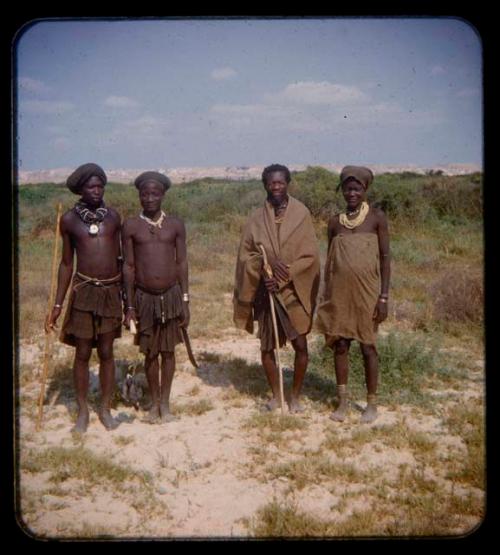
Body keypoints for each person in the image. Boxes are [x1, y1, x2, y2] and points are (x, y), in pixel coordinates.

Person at [233, 164, 320, 413]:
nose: (276, 187)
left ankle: (295, 396)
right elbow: (245, 254)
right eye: (271, 183)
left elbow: (310, 256)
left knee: (301, 345)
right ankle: (276, 395)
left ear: (288, 183)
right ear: (265, 185)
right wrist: (263, 267)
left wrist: (286, 274)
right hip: (266, 291)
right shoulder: (256, 218)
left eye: (281, 182)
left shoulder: (301, 213)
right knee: (266, 347)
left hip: (293, 290)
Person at [45, 163, 123, 433]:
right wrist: (57, 304)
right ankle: (82, 411)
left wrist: (129, 301)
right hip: (84, 291)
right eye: (91, 186)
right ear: (80, 189)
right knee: (82, 352)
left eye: (100, 186)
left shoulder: (113, 217)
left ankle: (105, 408)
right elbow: (66, 264)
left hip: (111, 292)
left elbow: (123, 260)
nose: (97, 191)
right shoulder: (68, 220)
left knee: (106, 352)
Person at [315, 165, 391, 423]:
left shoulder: (377, 218)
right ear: (342, 190)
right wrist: (325, 296)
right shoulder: (335, 222)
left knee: (368, 347)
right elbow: (330, 261)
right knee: (341, 345)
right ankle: (343, 402)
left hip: (368, 294)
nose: (352, 193)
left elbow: (385, 258)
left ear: (365, 189)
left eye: (357, 188)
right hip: (339, 294)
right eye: (348, 188)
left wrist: (383, 297)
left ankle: (371, 404)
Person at [122, 171, 189, 424]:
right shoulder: (130, 226)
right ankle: (153, 403)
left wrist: (185, 300)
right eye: (144, 194)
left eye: (155, 193)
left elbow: (182, 263)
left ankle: (166, 403)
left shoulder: (175, 225)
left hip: (171, 296)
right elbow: (128, 267)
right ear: (139, 195)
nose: (149, 198)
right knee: (150, 353)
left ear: (163, 195)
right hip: (144, 298)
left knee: (168, 351)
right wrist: (129, 305)